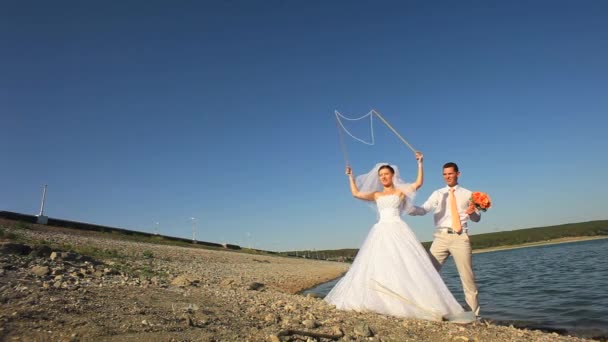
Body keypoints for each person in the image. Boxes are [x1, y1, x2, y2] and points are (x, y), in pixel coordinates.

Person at [323, 152, 465, 321]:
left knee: (406, 264)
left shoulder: (400, 192)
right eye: (381, 175)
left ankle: (410, 300)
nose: (383, 177)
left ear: (392, 175)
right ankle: (382, 301)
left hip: (398, 229)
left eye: (386, 174)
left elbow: (418, 183)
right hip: (381, 230)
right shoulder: (376, 195)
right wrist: (350, 176)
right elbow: (356, 194)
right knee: (380, 263)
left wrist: (420, 163)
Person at [409, 162, 481, 317]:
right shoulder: (438, 193)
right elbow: (424, 209)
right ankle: (428, 310)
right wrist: (409, 208)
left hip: (461, 238)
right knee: (427, 273)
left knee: (468, 280)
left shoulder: (469, 194)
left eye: (450, 173)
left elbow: (477, 218)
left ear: (458, 174)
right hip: (440, 237)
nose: (447, 176)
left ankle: (473, 316)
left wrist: (471, 212)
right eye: (444, 174)